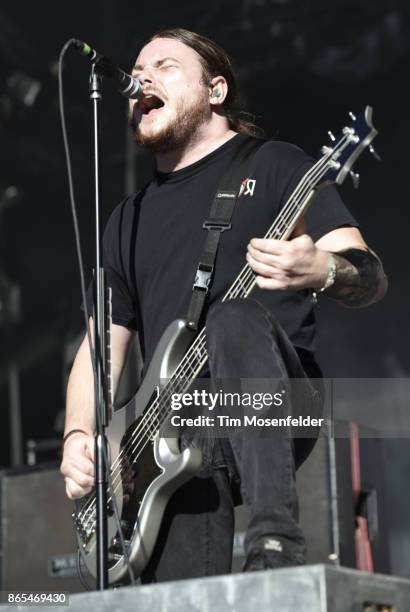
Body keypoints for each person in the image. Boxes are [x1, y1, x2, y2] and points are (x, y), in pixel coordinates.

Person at [60, 28, 387, 582]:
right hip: (177, 435)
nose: (140, 80)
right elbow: (100, 351)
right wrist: (77, 439)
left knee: (232, 319)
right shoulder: (127, 218)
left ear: (215, 90)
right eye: (138, 71)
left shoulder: (278, 164)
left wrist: (320, 268)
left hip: (278, 398)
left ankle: (276, 544)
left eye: (164, 65)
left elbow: (369, 275)